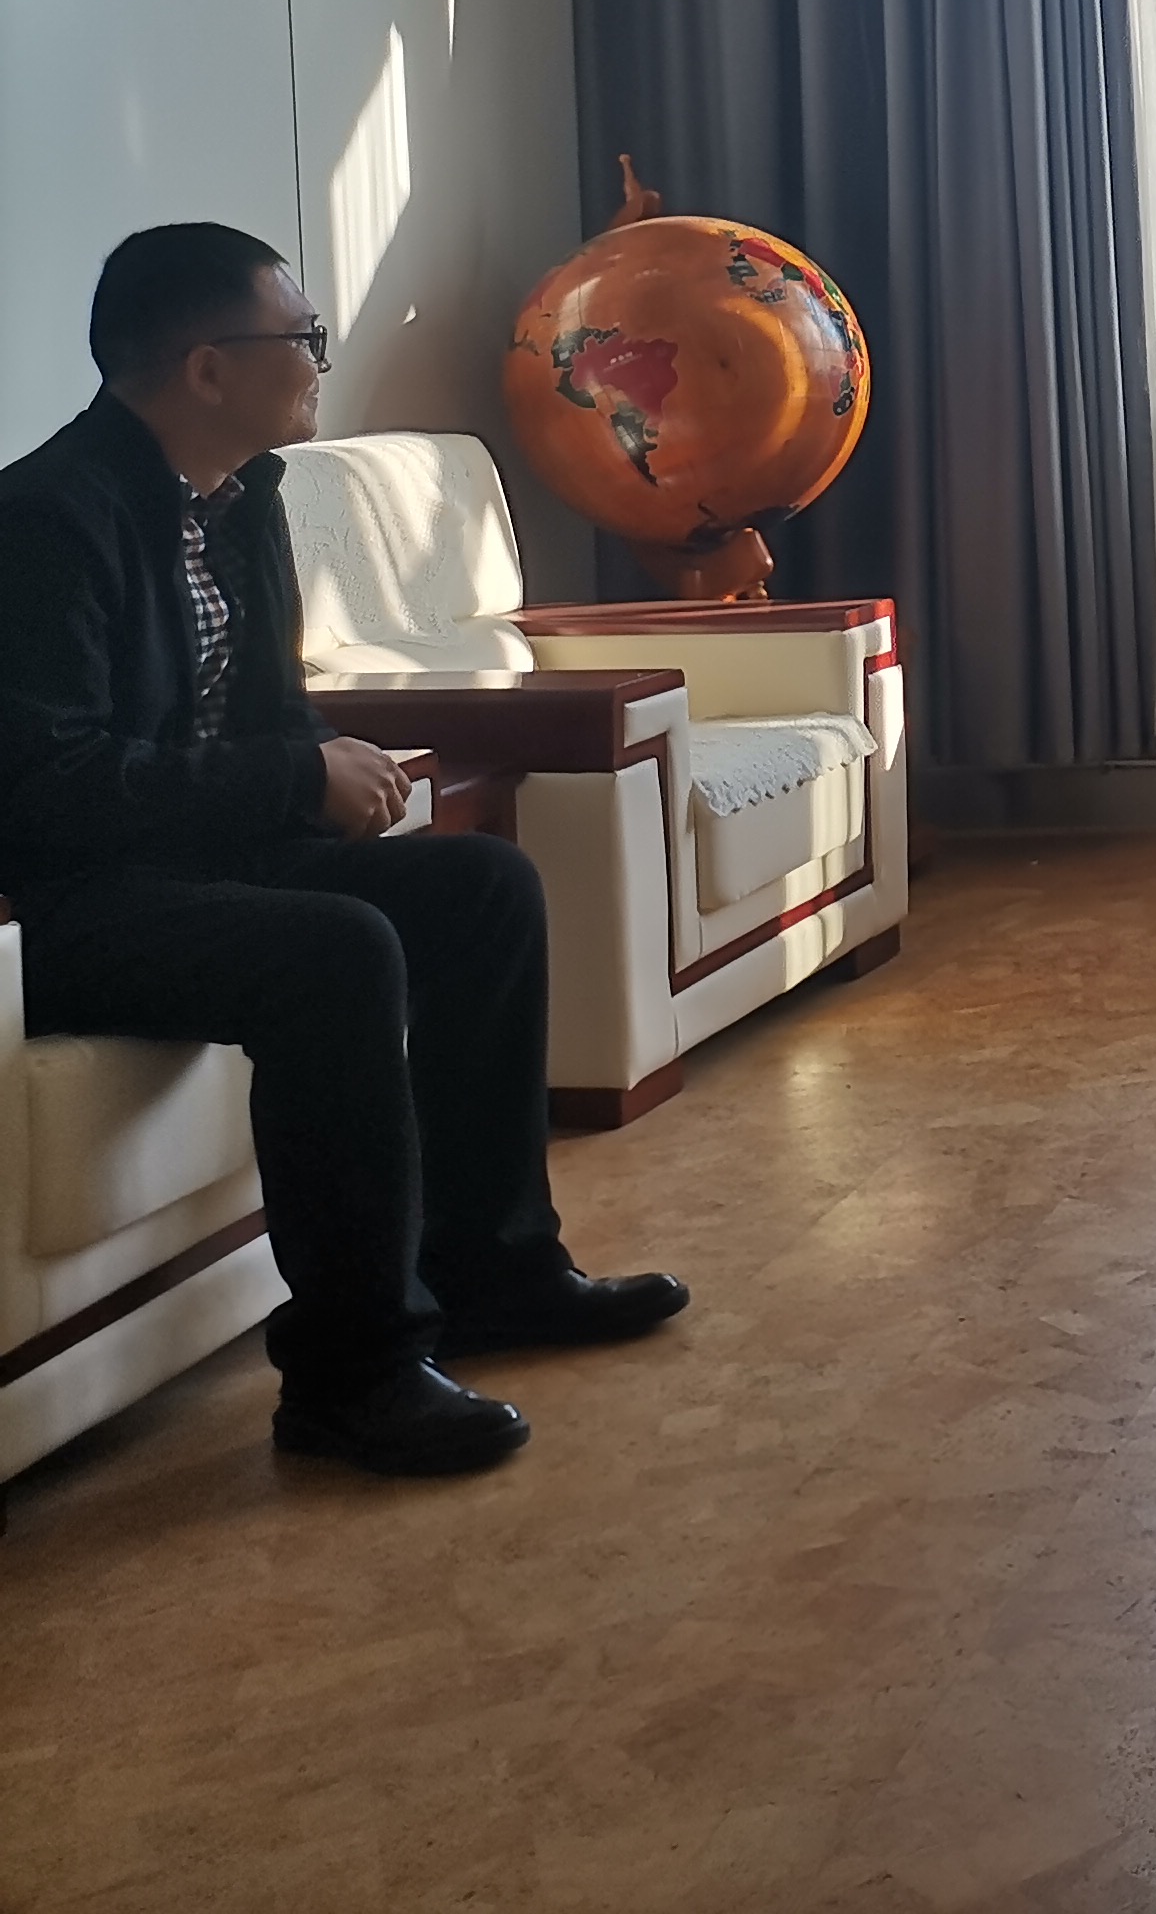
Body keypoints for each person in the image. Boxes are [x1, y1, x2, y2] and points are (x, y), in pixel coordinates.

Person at [0, 227, 686, 1480]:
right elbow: (52, 786)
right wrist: (296, 777)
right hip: (71, 901)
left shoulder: (246, 498)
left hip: (206, 861)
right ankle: (351, 1375)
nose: (320, 361)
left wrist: (324, 757)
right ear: (209, 368)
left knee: (481, 886)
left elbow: (262, 714)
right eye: (301, 337)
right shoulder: (43, 522)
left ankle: (494, 1273)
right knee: (336, 949)